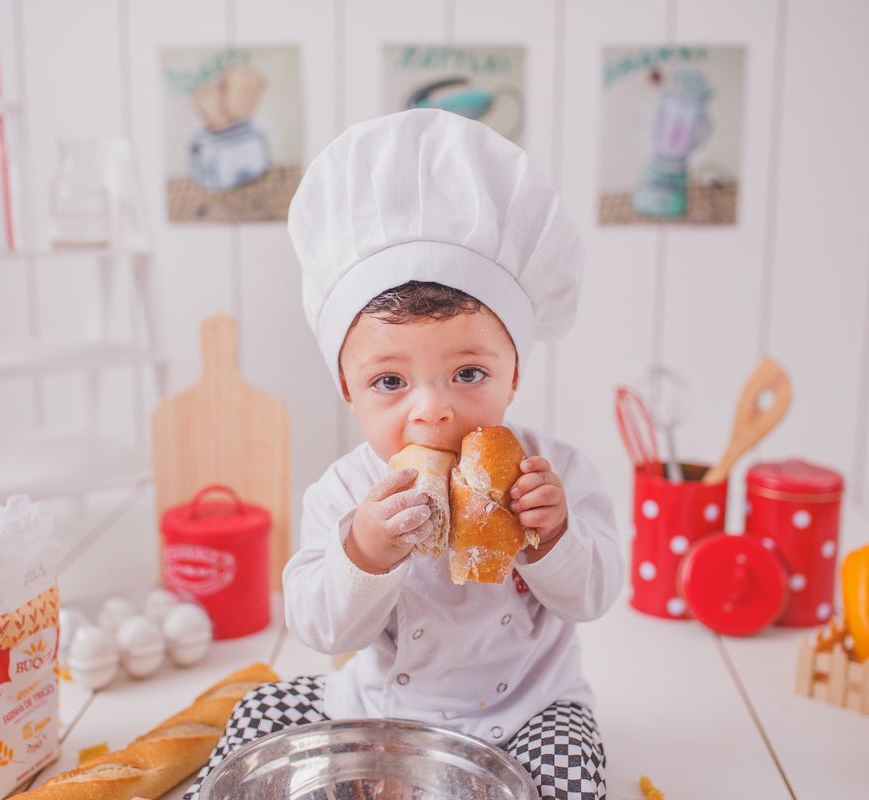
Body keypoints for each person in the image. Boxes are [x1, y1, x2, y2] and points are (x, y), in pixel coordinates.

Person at [184, 109, 625, 800]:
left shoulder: (552, 474)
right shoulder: (345, 491)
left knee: (575, 766)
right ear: (347, 390)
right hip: (377, 710)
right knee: (256, 712)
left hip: (524, 714)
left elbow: (596, 595)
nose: (432, 409)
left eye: (469, 374)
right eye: (390, 382)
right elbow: (320, 625)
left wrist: (555, 537)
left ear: (516, 373)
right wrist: (363, 550)